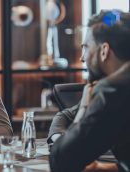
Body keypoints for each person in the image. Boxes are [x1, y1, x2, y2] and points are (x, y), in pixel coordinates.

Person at [49, 10, 130, 172]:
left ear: (104, 50)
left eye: (86, 47)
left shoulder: (113, 89)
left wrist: (84, 108)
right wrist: (110, 168)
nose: (82, 58)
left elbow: (62, 161)